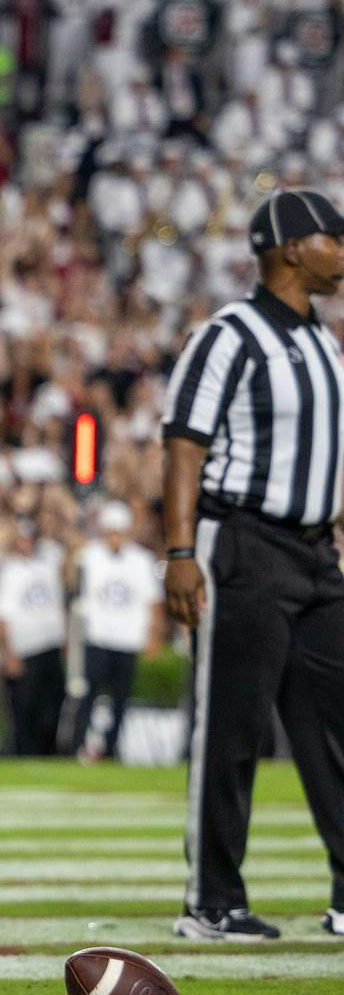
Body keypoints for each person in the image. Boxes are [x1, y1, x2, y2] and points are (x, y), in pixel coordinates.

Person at [162, 189, 344, 942]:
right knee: (232, 725)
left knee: (336, 724)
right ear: (293, 247)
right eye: (335, 236)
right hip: (242, 543)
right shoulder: (228, 335)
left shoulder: (323, 341)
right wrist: (178, 551)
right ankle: (212, 900)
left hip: (315, 554)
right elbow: (183, 443)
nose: (343, 249)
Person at [73, 500, 162, 762]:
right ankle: (77, 745)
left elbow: (152, 602)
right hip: (98, 636)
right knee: (88, 695)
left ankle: (111, 749)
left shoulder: (140, 559)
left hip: (127, 639)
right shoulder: (89, 555)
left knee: (121, 699)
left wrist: (152, 635)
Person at [0, 518, 67, 755]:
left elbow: (56, 605)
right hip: (24, 647)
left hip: (50, 645)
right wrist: (8, 652)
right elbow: (0, 616)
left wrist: (63, 640)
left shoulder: (47, 566)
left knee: (52, 706)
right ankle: (22, 753)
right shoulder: (9, 571)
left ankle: (47, 752)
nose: (26, 544)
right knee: (24, 709)